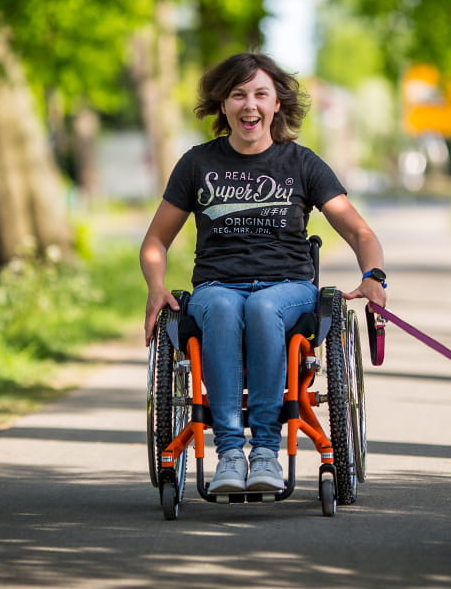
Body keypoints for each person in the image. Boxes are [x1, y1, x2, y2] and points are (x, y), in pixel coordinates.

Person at [140, 52, 387, 494]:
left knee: (263, 305)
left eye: (260, 94)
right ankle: (231, 455)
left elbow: (358, 230)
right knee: (217, 304)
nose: (249, 105)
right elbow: (156, 241)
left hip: (288, 288)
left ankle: (266, 453)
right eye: (238, 94)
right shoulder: (197, 164)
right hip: (217, 284)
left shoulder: (302, 163)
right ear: (222, 105)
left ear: (277, 105)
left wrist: (374, 275)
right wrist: (156, 286)